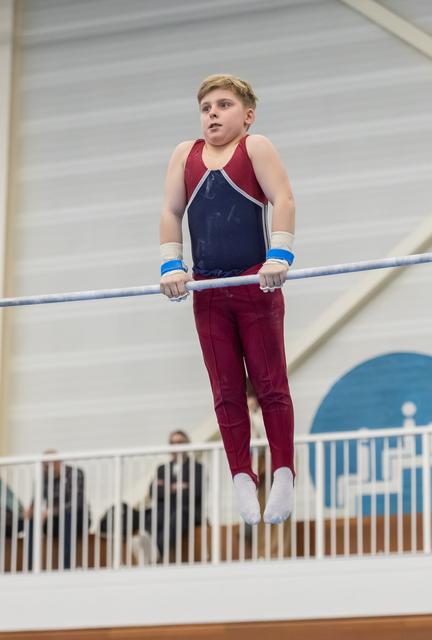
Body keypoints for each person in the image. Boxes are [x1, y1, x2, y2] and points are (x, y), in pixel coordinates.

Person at [159, 74, 295, 526]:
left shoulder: (256, 147)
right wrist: (171, 265)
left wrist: (279, 254)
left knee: (270, 383)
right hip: (208, 289)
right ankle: (241, 476)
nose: (212, 114)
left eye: (223, 105)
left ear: (248, 115)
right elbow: (171, 212)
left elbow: (284, 198)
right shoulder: (185, 154)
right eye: (206, 108)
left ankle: (282, 472)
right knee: (225, 391)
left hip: (256, 283)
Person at [26, 449, 91, 570]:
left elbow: (76, 502)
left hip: (78, 519)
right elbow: (36, 499)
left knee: (68, 516)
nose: (47, 468)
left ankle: (66, 567)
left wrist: (50, 512)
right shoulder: (44, 477)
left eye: (50, 465)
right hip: (54, 522)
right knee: (31, 521)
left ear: (59, 462)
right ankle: (31, 565)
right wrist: (31, 510)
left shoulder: (76, 473)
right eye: (45, 466)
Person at [144, 430, 203, 559]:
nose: (176, 447)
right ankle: (146, 544)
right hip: (165, 510)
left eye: (180, 442)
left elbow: (196, 493)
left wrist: (165, 488)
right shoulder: (162, 468)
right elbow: (153, 492)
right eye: (173, 443)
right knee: (154, 514)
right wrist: (175, 487)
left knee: (178, 515)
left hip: (188, 512)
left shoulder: (197, 468)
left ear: (187, 444)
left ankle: (157, 551)